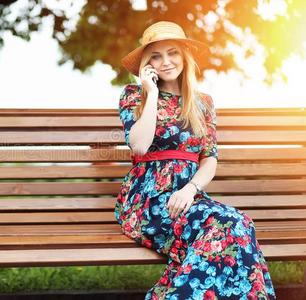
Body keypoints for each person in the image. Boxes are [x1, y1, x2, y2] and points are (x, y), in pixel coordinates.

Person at [115, 21, 276, 299]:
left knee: (239, 223)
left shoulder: (203, 102)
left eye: (173, 52)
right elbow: (140, 146)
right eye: (156, 55)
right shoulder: (134, 96)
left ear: (184, 56)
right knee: (226, 226)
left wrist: (190, 189)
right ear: (146, 63)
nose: (166, 61)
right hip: (149, 200)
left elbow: (209, 159)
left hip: (189, 198)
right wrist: (151, 93)